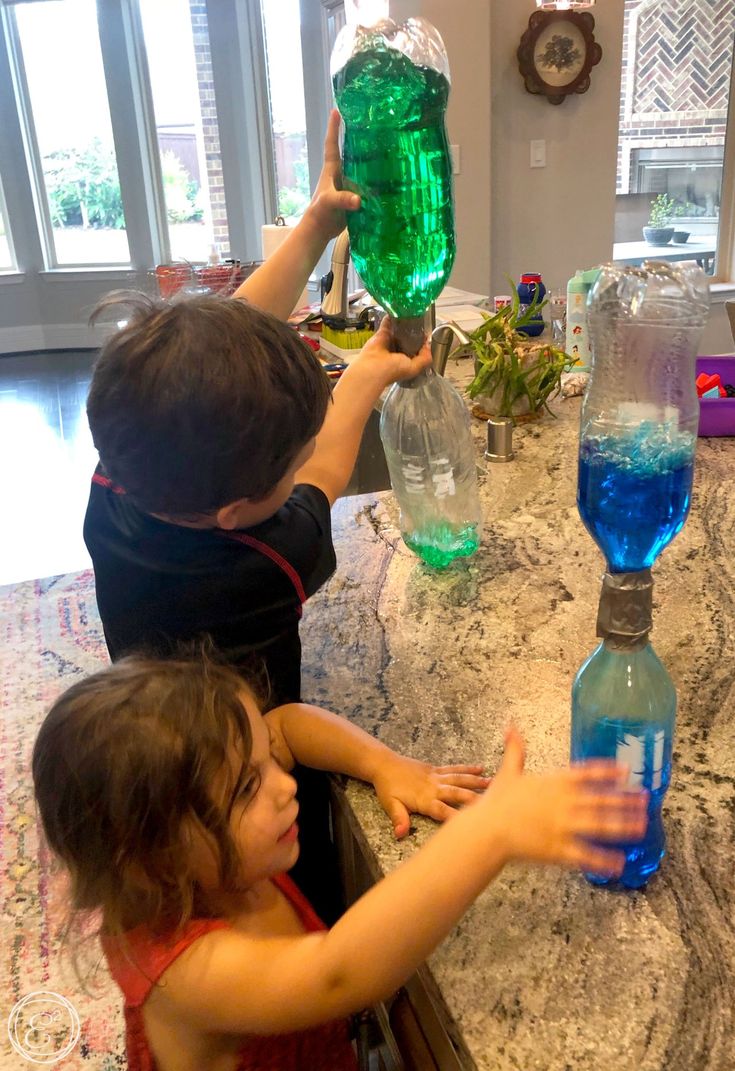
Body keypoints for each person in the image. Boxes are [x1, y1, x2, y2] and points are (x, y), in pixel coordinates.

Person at [82, 111, 431, 922]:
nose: (298, 458)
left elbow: (223, 337)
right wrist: (370, 370)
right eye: (284, 461)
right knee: (293, 891)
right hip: (244, 758)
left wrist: (317, 224)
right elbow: (323, 472)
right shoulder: (264, 561)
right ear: (241, 511)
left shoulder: (121, 472)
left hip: (149, 719)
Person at [33, 654, 648, 1071]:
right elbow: (341, 972)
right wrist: (491, 833)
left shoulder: (210, 865)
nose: (283, 785)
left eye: (266, 762)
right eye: (247, 788)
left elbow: (290, 726)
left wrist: (384, 763)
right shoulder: (188, 974)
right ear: (152, 858)